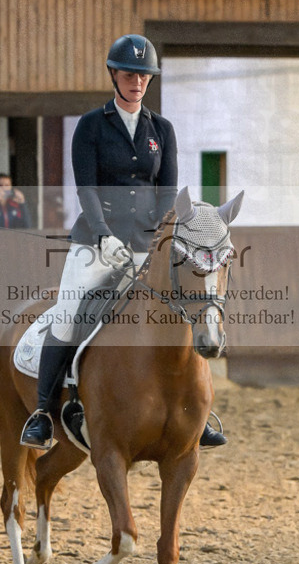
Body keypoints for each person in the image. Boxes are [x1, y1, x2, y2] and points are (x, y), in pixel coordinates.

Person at [20, 33, 227, 451]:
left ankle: (195, 413)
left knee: (180, 307)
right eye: (130, 74)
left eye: (144, 76)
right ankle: (43, 412)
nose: (137, 82)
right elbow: (88, 190)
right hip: (95, 242)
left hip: (145, 246)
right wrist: (104, 236)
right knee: (69, 310)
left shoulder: (162, 130)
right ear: (114, 75)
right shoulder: (92, 127)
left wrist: (152, 238)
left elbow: (166, 193)